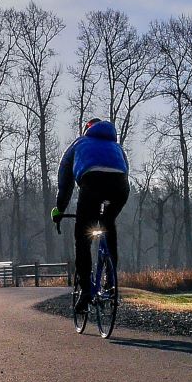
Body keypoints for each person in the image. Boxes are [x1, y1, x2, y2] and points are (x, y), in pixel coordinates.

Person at [51, 118, 130, 314]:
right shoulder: (116, 146)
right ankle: (111, 282)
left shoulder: (80, 143)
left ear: (87, 129)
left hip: (92, 183)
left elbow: (65, 178)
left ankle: (86, 290)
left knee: (82, 237)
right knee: (108, 224)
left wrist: (60, 208)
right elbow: (125, 171)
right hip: (119, 187)